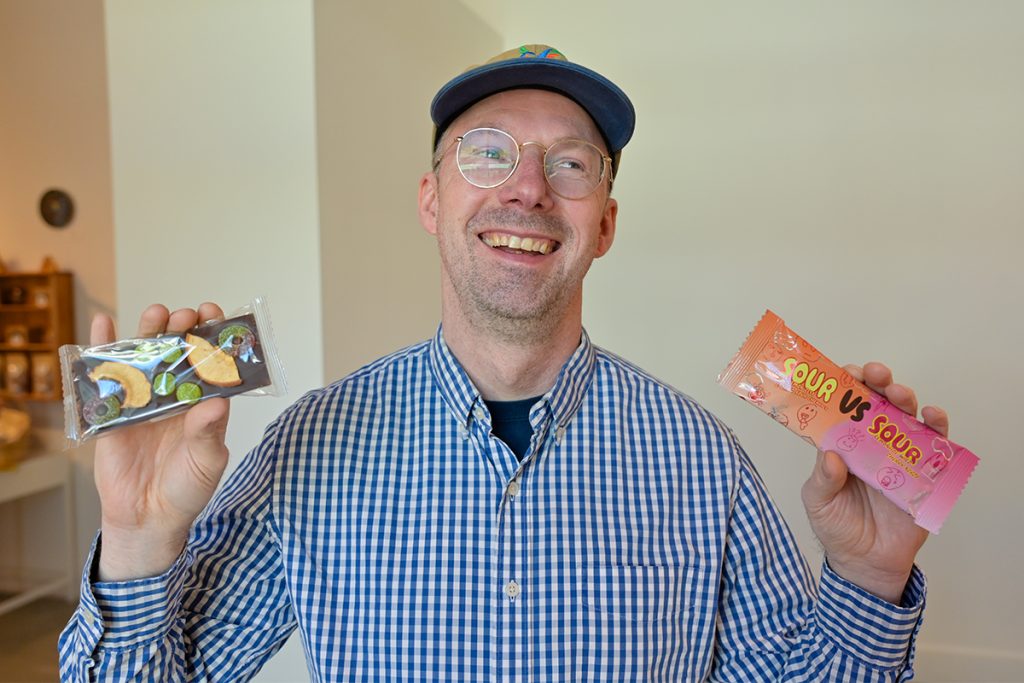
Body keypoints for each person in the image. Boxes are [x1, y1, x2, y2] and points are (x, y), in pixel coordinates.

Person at [59, 44, 948, 681]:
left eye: (569, 162)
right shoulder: (307, 451)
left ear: (603, 223)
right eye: (487, 154)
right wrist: (137, 542)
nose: (526, 186)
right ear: (431, 197)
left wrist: (869, 580)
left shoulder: (702, 462)